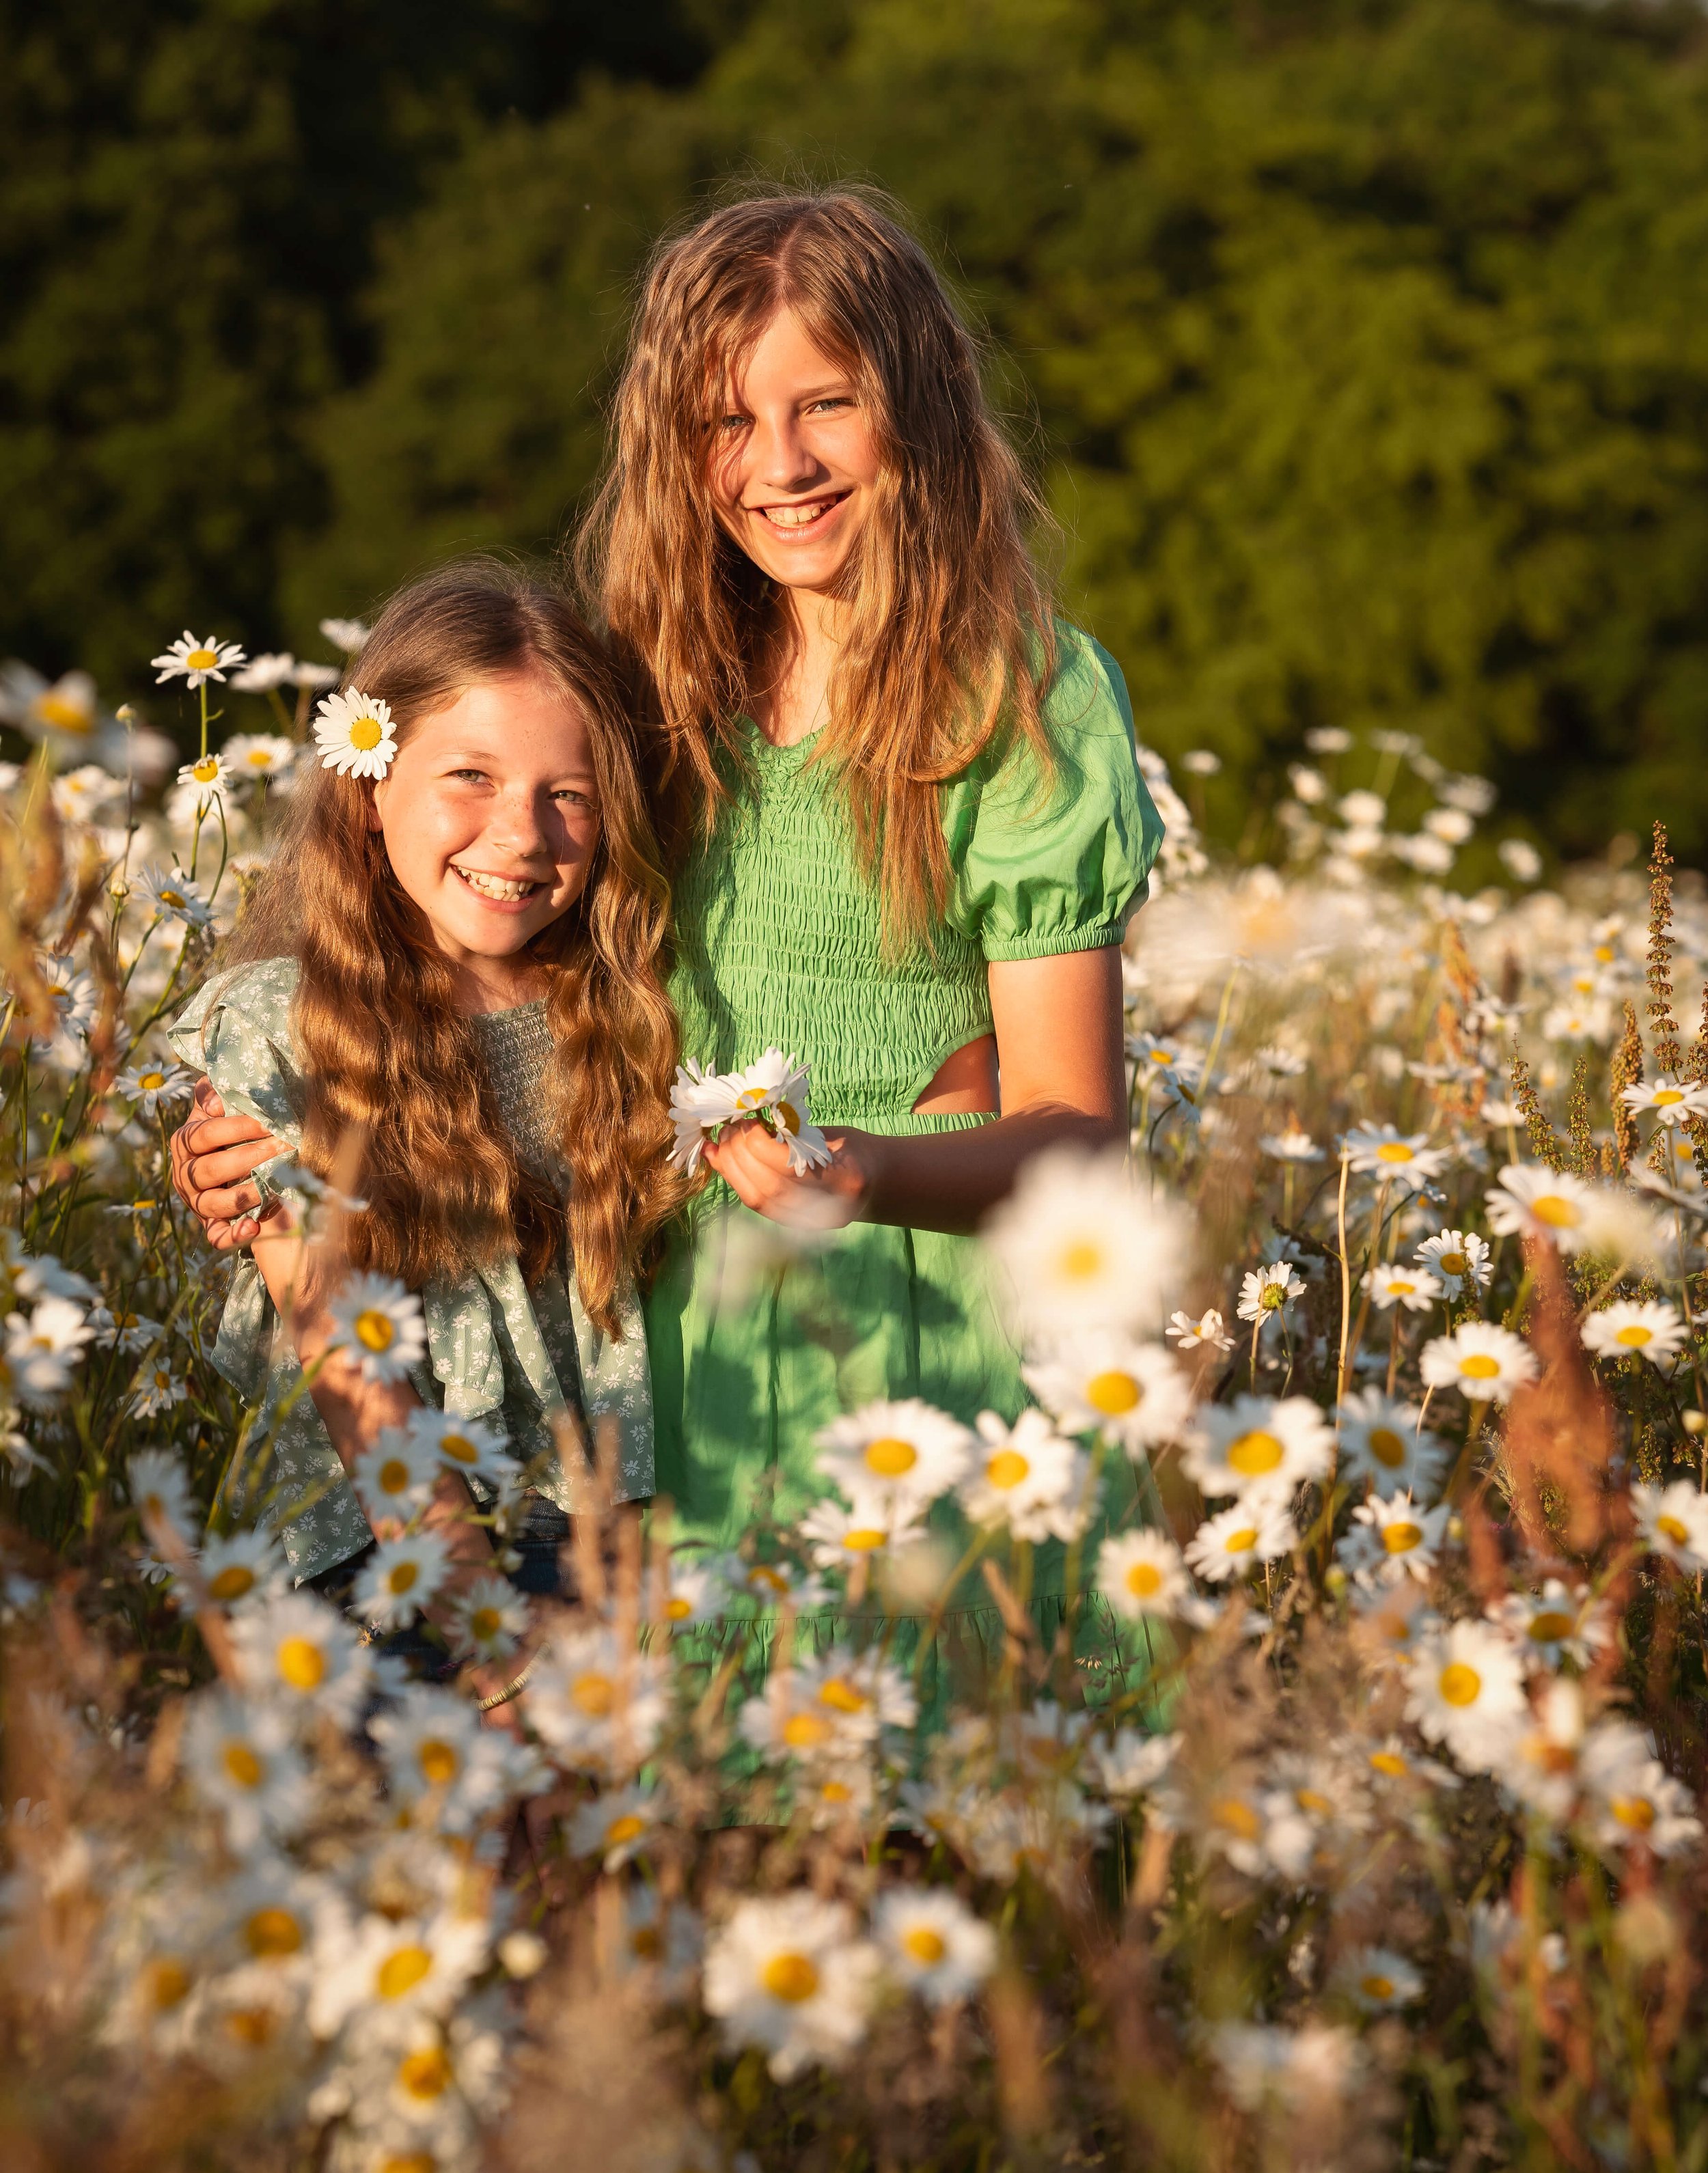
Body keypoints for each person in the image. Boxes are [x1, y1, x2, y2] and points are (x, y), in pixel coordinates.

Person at [174, 188, 1162, 1676]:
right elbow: (480, 933)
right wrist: (264, 1118)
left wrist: (869, 1165)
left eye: (826, 403)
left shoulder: (1019, 698)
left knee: (907, 1835)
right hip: (638, 1360)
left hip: (906, 1335)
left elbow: (1078, 1131)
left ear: (923, 405)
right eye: (724, 421)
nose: (778, 464)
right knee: (669, 1847)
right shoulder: (642, 673)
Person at [167, 561, 678, 1701]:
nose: (522, 833)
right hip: (381, 1548)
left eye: (571, 793)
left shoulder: (623, 1006)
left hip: (612, 1528)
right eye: (470, 777)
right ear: (368, 787)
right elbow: (332, 1328)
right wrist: (458, 1579)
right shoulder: (285, 1020)